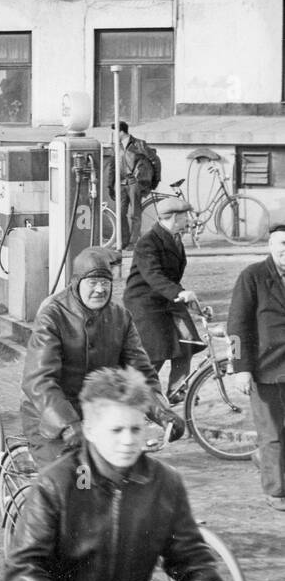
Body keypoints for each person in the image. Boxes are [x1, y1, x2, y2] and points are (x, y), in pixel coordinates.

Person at [5, 366, 226, 581]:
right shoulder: (55, 484)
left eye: (136, 429)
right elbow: (24, 570)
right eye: (116, 430)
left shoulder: (164, 482)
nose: (128, 440)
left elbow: (194, 562)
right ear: (90, 431)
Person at [21, 246, 171, 468]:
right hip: (50, 417)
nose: (100, 289)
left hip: (100, 416)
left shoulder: (120, 316)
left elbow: (139, 372)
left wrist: (162, 413)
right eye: (93, 283)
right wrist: (67, 423)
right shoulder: (52, 315)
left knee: (124, 470)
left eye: (105, 283)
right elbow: (39, 380)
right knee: (74, 481)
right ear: (76, 282)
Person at [226, 223, 285, 511]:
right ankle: (275, 491)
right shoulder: (252, 276)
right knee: (271, 432)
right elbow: (236, 326)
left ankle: (266, 461)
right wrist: (241, 368)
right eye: (281, 243)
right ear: (270, 246)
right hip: (265, 369)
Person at [124, 197, 200, 400]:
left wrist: (182, 295)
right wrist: (179, 293)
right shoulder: (147, 242)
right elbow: (154, 276)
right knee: (156, 353)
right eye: (185, 216)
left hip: (166, 300)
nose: (188, 220)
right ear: (175, 217)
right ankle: (136, 397)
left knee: (187, 342)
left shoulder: (175, 238)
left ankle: (178, 391)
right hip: (145, 303)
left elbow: (169, 276)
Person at [103, 120, 157, 249]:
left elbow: (155, 160)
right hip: (121, 184)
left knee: (135, 215)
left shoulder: (139, 144)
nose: (113, 135)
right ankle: (124, 241)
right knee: (120, 213)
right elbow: (112, 166)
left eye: (114, 132)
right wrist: (110, 186)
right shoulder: (117, 146)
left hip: (134, 183)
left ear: (121, 132)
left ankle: (133, 242)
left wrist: (154, 181)